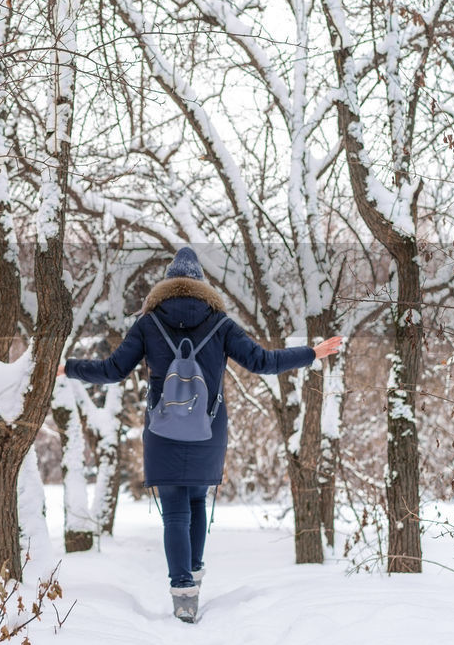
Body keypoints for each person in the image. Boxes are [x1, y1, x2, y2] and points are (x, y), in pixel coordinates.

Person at [58, 247, 342, 623]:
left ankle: (183, 594)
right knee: (195, 504)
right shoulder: (221, 325)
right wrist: (311, 353)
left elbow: (112, 370)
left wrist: (68, 368)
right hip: (208, 428)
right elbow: (262, 362)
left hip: (163, 429)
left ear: (167, 286)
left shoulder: (148, 323)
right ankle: (193, 581)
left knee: (175, 511)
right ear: (202, 287)